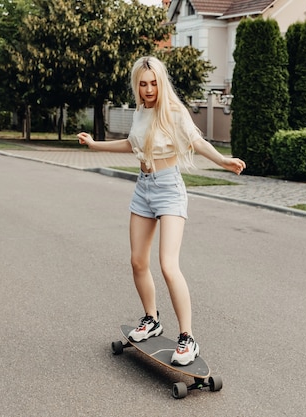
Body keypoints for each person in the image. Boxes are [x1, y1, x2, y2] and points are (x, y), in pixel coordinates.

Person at [77, 56, 245, 366]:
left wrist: (223, 161)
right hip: (143, 188)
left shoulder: (173, 111)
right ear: (136, 86)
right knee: (138, 261)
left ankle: (188, 337)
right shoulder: (141, 112)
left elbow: (196, 141)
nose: (149, 88)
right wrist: (95, 145)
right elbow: (131, 144)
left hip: (169, 189)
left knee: (168, 264)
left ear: (161, 82)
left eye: (154, 83)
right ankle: (152, 319)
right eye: (143, 84)